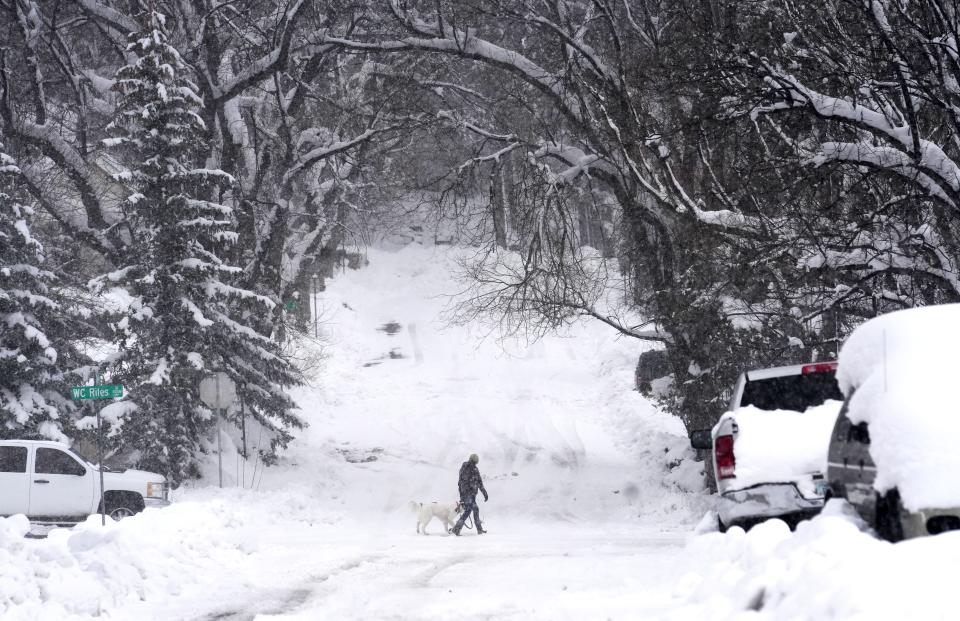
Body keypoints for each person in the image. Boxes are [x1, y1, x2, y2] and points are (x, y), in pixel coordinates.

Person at [452, 453, 488, 535]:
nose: (474, 463)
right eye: (474, 461)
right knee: (469, 510)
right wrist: (464, 496)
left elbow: (479, 482)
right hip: (467, 495)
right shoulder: (466, 468)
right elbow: (462, 482)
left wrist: (484, 493)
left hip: (470, 495)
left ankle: (479, 529)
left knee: (475, 509)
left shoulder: (473, 469)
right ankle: (457, 528)